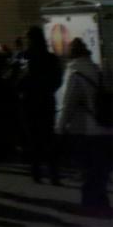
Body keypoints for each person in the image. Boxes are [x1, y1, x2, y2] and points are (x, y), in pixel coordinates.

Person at [56, 38, 113, 216]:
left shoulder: (75, 73)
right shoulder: (97, 69)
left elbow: (68, 104)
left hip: (85, 128)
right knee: (100, 169)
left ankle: (90, 204)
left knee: (88, 169)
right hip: (105, 126)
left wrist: (59, 127)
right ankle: (101, 201)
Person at [18, 25, 63, 185]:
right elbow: (57, 79)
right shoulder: (50, 58)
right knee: (48, 138)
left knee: (33, 139)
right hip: (46, 100)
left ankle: (37, 172)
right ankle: (54, 173)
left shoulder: (26, 57)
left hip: (30, 101)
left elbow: (19, 79)